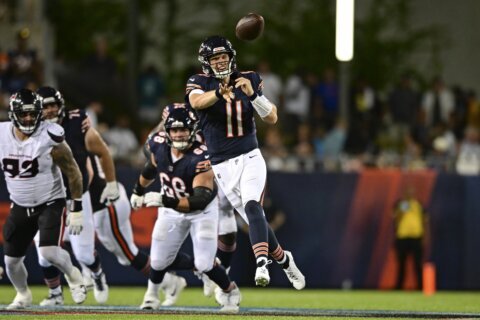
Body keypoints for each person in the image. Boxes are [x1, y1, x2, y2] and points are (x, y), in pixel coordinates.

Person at [186, 35, 305, 289]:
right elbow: (196, 102)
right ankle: (284, 261)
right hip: (221, 165)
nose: (220, 62)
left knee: (253, 207)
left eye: (223, 57)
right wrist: (219, 93)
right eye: (215, 58)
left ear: (231, 58)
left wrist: (254, 97)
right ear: (206, 62)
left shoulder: (249, 78)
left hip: (250, 156)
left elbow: (272, 117)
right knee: (255, 219)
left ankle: (262, 263)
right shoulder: (199, 82)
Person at [131, 107, 241, 312]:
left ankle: (230, 290)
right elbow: (150, 167)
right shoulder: (158, 144)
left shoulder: (201, 155)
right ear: (167, 131)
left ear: (193, 130)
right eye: (174, 130)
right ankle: (151, 295)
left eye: (183, 129)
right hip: (170, 209)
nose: (179, 134)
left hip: (201, 213)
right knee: (157, 259)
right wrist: (138, 190)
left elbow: (201, 198)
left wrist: (165, 200)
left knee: (204, 263)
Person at [34, 86, 120, 305]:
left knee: (84, 254)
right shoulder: (30, 128)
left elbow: (102, 151)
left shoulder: (77, 123)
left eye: (53, 105)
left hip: (76, 196)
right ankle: (55, 294)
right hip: (46, 198)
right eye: (45, 106)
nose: (51, 110)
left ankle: (97, 274)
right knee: (43, 252)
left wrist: (110, 183)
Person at [1, 89, 86, 309]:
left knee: (49, 252)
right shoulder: (2, 135)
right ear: (13, 114)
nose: (29, 118)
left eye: (32, 113)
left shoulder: (50, 134)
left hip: (50, 201)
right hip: (20, 204)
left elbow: (73, 171)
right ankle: (23, 294)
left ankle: (73, 274)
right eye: (23, 114)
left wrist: (76, 208)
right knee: (11, 262)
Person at [88, 153, 186, 307]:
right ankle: (170, 281)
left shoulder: (78, 137)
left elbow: (101, 156)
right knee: (123, 255)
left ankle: (172, 280)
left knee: (128, 253)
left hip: (107, 203)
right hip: (100, 205)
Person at [393, 187, 429, 290]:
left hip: (416, 238)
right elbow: (396, 218)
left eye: (411, 192)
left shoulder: (419, 204)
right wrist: (403, 207)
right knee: (401, 264)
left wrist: (425, 237)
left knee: (417, 264)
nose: (409, 194)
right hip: (402, 237)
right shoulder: (400, 204)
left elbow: (425, 221)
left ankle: (421, 286)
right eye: (407, 192)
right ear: (404, 193)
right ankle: (399, 287)